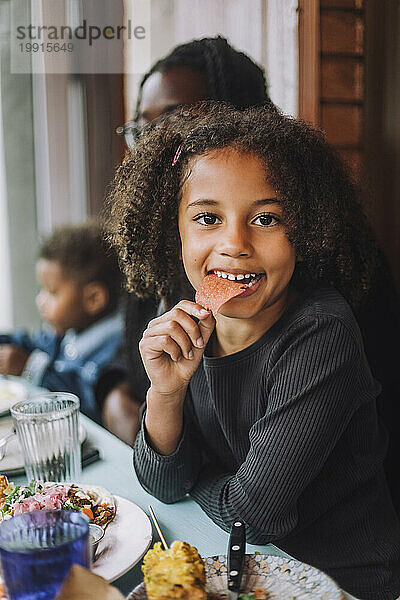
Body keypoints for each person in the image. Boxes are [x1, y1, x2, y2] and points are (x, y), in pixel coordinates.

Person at [106, 103, 400, 599]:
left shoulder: (321, 336)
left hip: (346, 583)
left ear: (303, 234)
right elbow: (162, 482)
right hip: (247, 572)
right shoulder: (184, 317)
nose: (235, 243)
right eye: (207, 217)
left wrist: (195, 469)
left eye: (265, 218)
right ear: (174, 230)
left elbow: (250, 515)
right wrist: (166, 393)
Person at [99, 35, 271, 444]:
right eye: (144, 127)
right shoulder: (158, 250)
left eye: (175, 122)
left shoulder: (288, 272)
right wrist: (113, 400)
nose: (153, 143)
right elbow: (128, 364)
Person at [0, 221, 123, 423]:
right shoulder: (67, 329)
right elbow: (32, 344)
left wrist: (29, 367)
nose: (40, 301)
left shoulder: (115, 351)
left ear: (93, 299)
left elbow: (86, 399)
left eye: (52, 292)